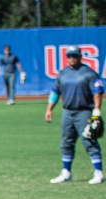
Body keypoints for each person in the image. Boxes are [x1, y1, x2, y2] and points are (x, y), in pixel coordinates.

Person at [45, 45, 105, 185]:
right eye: (69, 56)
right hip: (67, 112)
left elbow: (97, 92)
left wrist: (96, 111)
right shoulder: (63, 74)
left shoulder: (88, 73)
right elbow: (55, 92)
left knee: (89, 141)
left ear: (80, 56)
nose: (72, 58)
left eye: (74, 55)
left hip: (84, 111)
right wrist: (49, 109)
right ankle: (66, 172)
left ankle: (98, 173)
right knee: (66, 142)